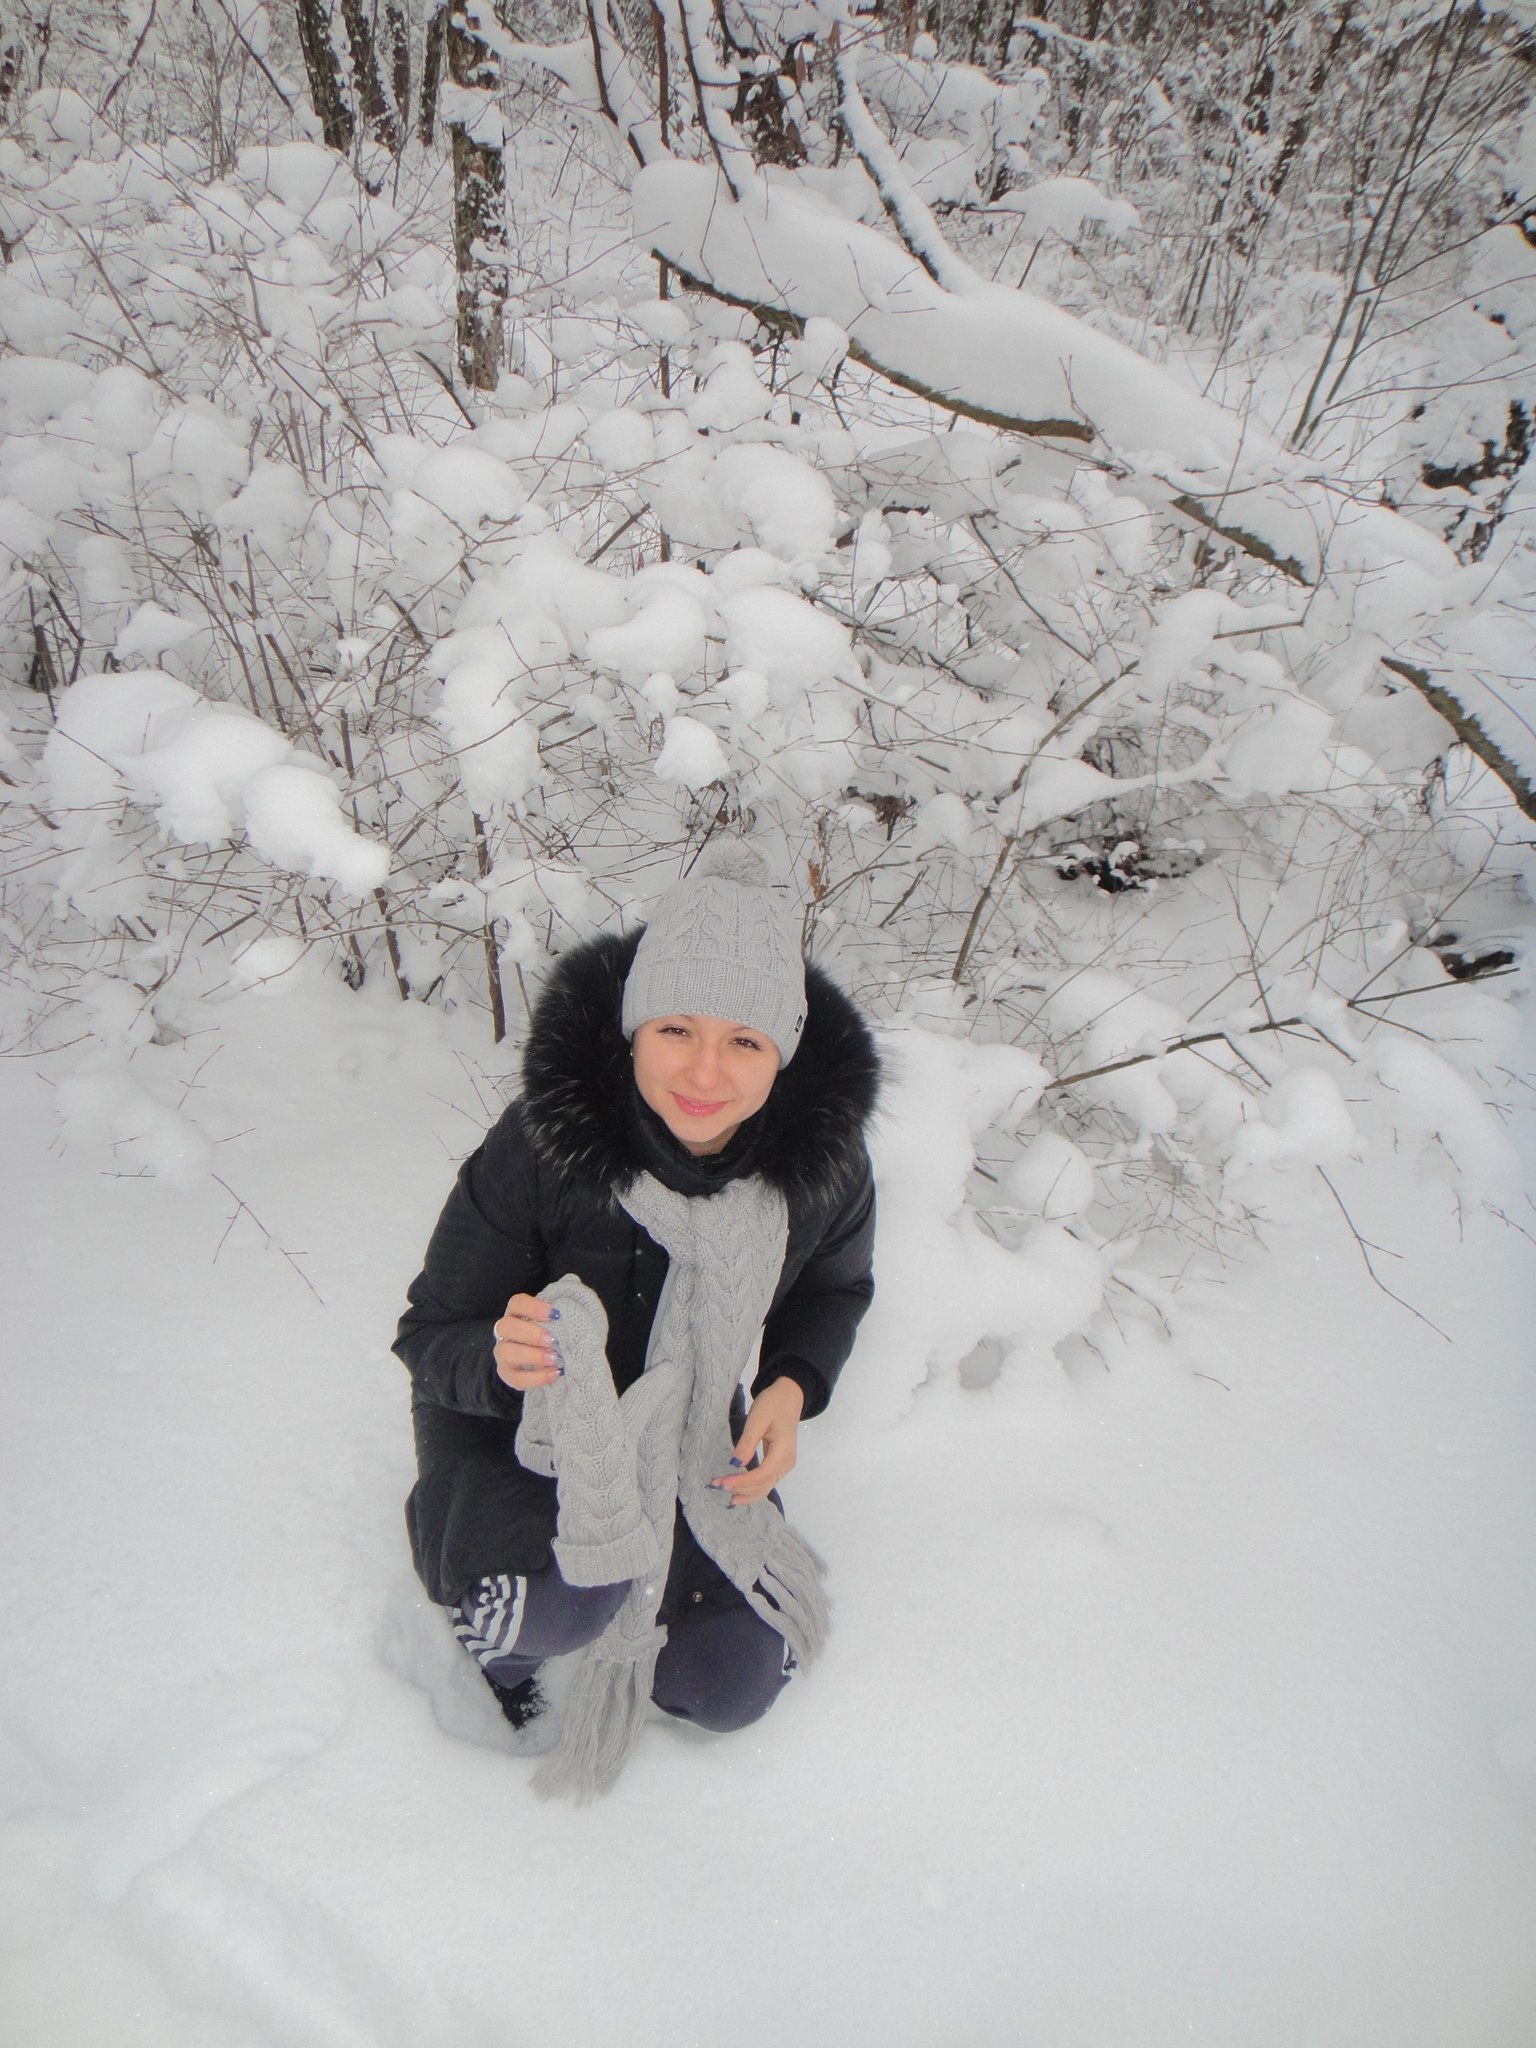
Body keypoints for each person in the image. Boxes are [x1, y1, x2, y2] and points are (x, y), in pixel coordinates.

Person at [392, 845, 880, 1798]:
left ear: (784, 1051)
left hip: (685, 1424)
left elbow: (835, 1288)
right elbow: (429, 1332)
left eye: (745, 1042)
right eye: (676, 1029)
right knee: (568, 1599)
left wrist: (791, 1386)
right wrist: (501, 1359)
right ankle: (498, 1643)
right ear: (632, 1028)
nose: (704, 1072)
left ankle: (664, 1619)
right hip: (516, 1420)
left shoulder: (820, 1165)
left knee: (729, 1687)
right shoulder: (548, 1139)